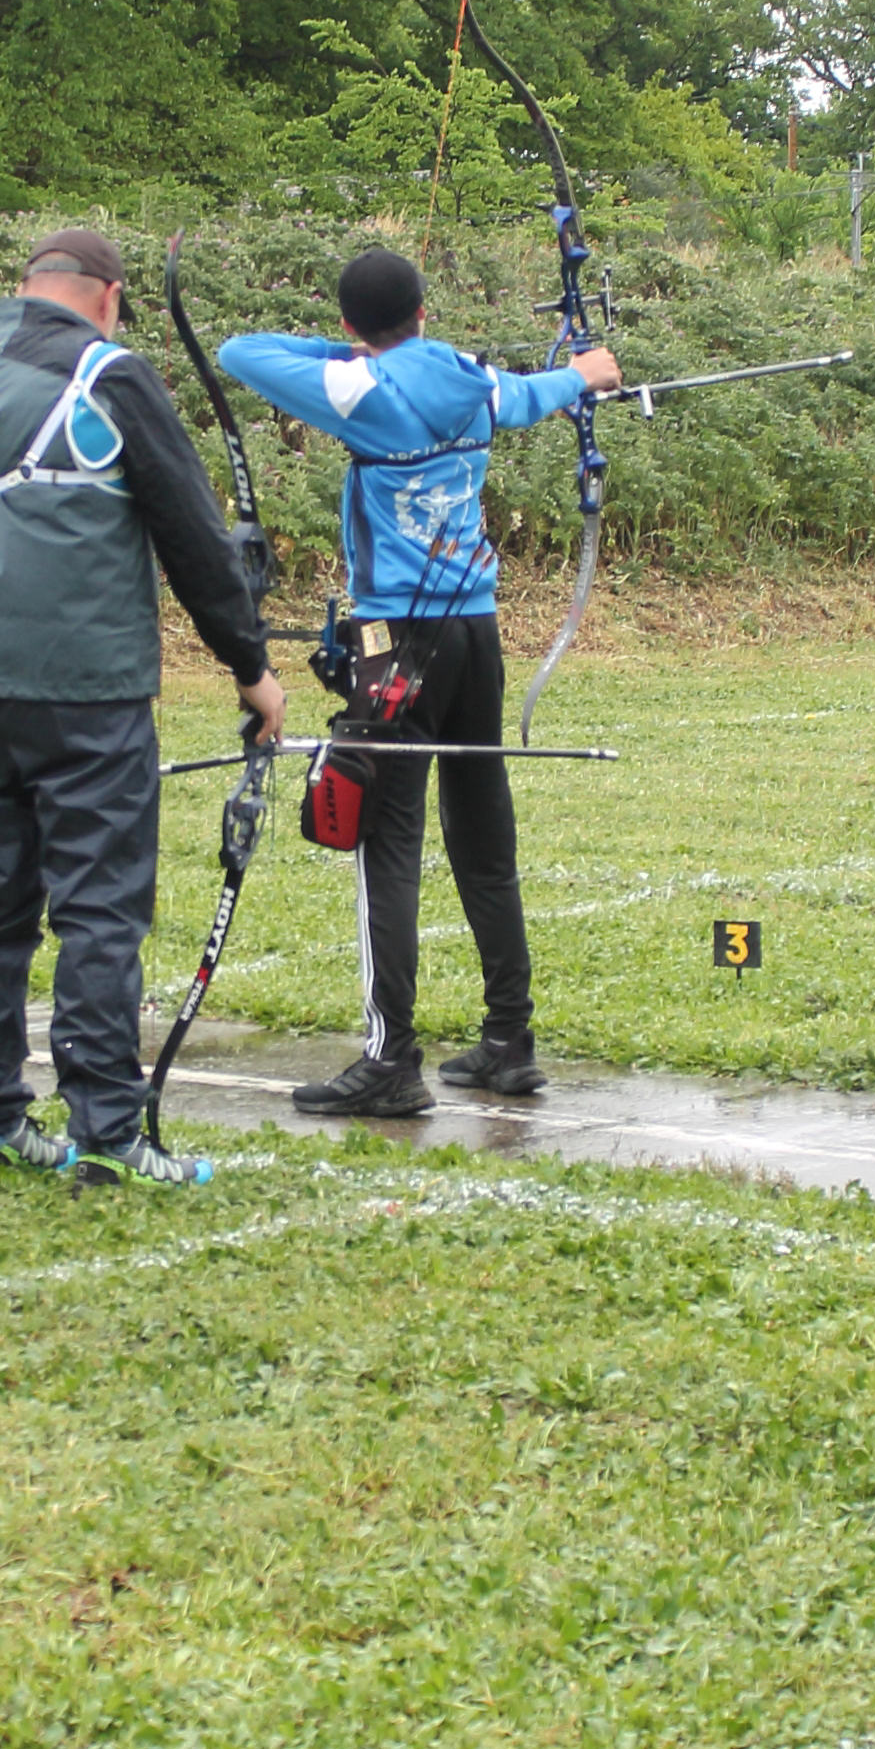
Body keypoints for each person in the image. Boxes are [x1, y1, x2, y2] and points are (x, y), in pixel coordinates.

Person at [0, 227, 286, 1190]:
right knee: (100, 909)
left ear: (27, 286)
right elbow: (192, 536)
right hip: (87, 690)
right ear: (108, 298)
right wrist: (251, 666)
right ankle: (107, 1127)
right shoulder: (112, 375)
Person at [218, 249, 620, 1117]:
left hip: (398, 641)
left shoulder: (360, 389)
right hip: (475, 632)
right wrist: (584, 371)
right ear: (425, 313)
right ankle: (508, 1038)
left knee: (386, 839)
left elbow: (239, 352)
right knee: (482, 830)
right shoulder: (471, 377)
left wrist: (349, 352)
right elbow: (534, 393)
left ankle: (391, 1060)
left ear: (353, 326)